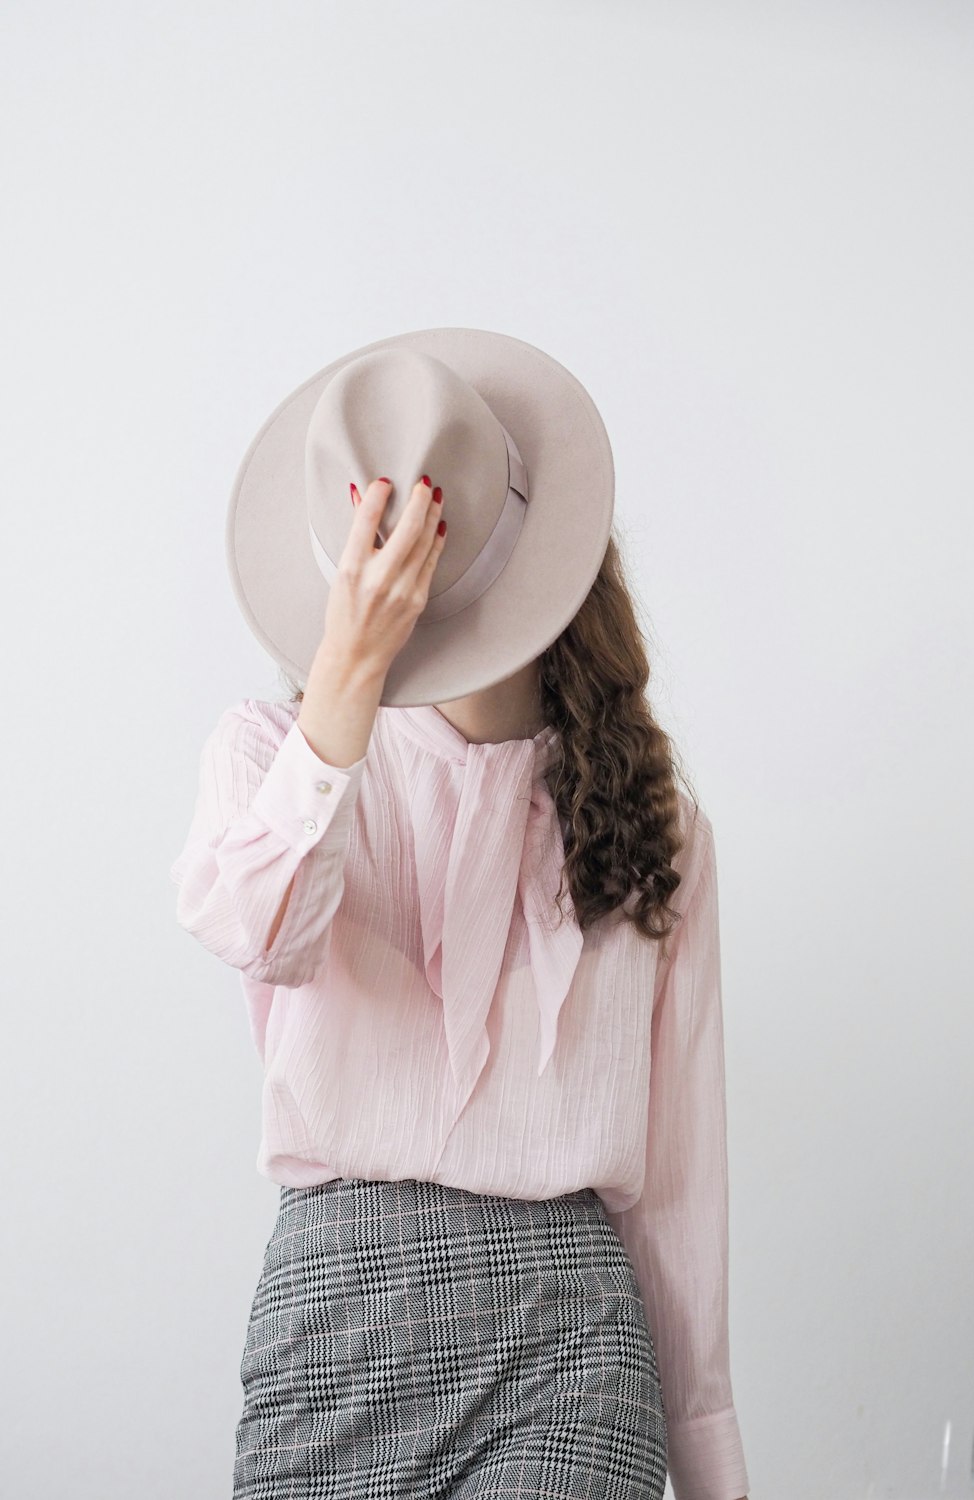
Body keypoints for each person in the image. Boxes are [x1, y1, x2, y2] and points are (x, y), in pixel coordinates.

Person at [170, 331, 750, 1500]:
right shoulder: (276, 757)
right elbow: (255, 930)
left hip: (570, 1338)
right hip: (331, 1328)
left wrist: (712, 1472)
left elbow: (679, 1193)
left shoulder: (653, 824)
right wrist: (343, 687)